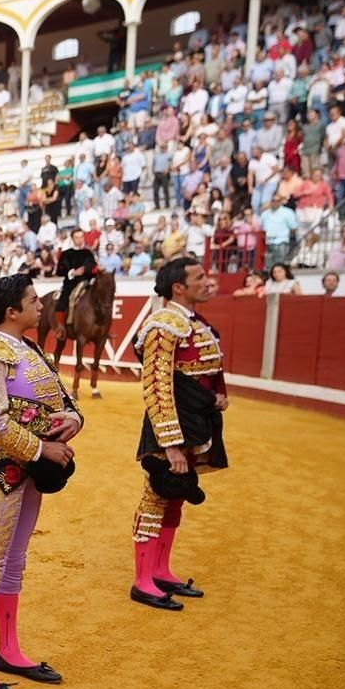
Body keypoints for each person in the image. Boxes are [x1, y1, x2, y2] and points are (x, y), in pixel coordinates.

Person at [0, 276, 82, 689]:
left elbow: (64, 402)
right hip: (5, 472)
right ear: (12, 311)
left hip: (31, 468)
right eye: (32, 300)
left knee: (15, 559)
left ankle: (8, 650)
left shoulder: (28, 349)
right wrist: (42, 447)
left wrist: (73, 423)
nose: (40, 305)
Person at [130, 257, 228, 611]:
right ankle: (142, 581)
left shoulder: (189, 321)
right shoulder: (164, 324)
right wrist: (168, 441)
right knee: (157, 494)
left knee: (177, 495)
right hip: (169, 421)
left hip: (192, 416)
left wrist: (216, 396)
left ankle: (160, 570)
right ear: (178, 287)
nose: (208, 281)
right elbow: (156, 384)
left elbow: (201, 370)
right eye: (199, 277)